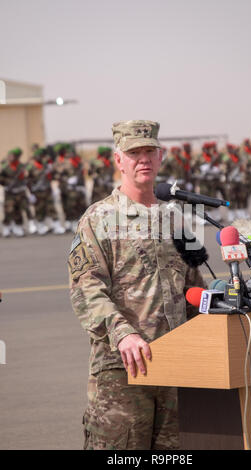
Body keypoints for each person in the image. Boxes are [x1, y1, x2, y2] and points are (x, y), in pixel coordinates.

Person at [68, 120, 206, 450]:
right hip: (123, 371)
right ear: (119, 160)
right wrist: (123, 332)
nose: (143, 159)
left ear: (160, 157)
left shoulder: (175, 218)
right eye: (134, 153)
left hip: (175, 368)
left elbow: (194, 286)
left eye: (149, 151)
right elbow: (85, 286)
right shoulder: (99, 218)